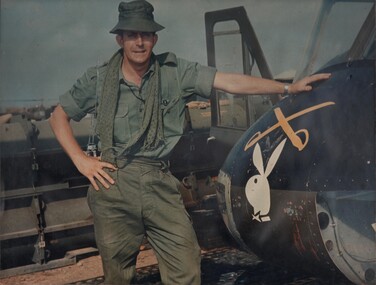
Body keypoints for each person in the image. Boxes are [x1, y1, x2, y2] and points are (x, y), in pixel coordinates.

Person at [49, 1, 331, 284]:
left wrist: (286, 87)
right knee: (118, 276)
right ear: (120, 38)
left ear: (154, 39)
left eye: (145, 35)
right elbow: (58, 117)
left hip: (158, 182)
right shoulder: (98, 79)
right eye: (132, 35)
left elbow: (229, 82)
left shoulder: (174, 72)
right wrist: (81, 161)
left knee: (185, 264)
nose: (139, 42)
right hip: (112, 183)